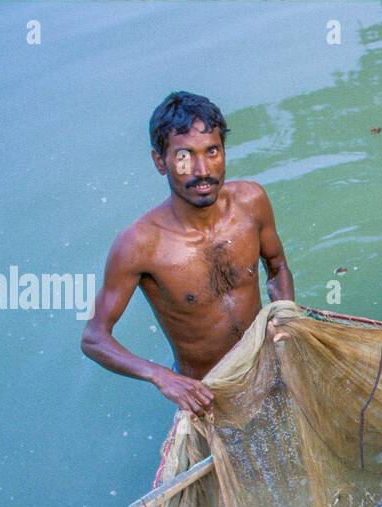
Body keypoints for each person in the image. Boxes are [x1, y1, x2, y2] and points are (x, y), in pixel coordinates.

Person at [80, 91, 294, 416]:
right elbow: (94, 338)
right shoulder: (139, 244)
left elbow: (277, 268)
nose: (202, 169)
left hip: (268, 365)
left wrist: (284, 316)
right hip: (207, 395)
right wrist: (161, 376)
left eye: (212, 151)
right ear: (159, 162)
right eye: (184, 156)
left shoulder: (252, 202)